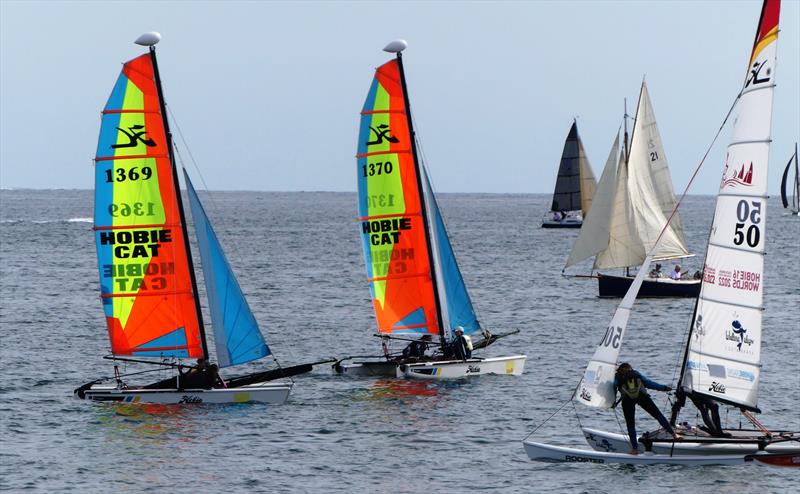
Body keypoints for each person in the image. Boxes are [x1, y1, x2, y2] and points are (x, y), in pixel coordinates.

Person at [614, 363, 681, 455]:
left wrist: (612, 402)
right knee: (657, 415)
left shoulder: (617, 377)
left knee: (630, 424)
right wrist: (664, 388)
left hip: (627, 401)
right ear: (629, 368)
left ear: (621, 369)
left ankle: (634, 449)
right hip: (642, 397)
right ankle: (674, 435)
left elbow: (614, 387)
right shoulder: (636, 374)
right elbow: (649, 384)